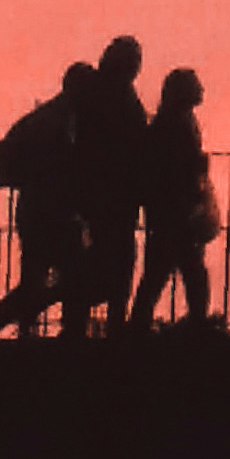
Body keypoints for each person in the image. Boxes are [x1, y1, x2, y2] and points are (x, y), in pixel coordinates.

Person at [0, 64, 94, 340]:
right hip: (54, 213)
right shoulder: (66, 120)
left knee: (35, 281)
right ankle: (70, 336)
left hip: (33, 210)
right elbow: (67, 168)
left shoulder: (44, 115)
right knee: (75, 277)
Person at [124, 68, 218, 337]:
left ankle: (142, 323)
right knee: (181, 269)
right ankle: (193, 321)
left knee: (165, 270)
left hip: (172, 210)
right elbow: (177, 168)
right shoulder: (175, 123)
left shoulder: (173, 120)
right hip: (176, 210)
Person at [72, 36, 151, 336]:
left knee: (97, 263)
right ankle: (114, 326)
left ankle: (80, 323)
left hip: (100, 196)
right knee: (118, 265)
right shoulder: (119, 97)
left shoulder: (96, 93)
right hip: (115, 197)